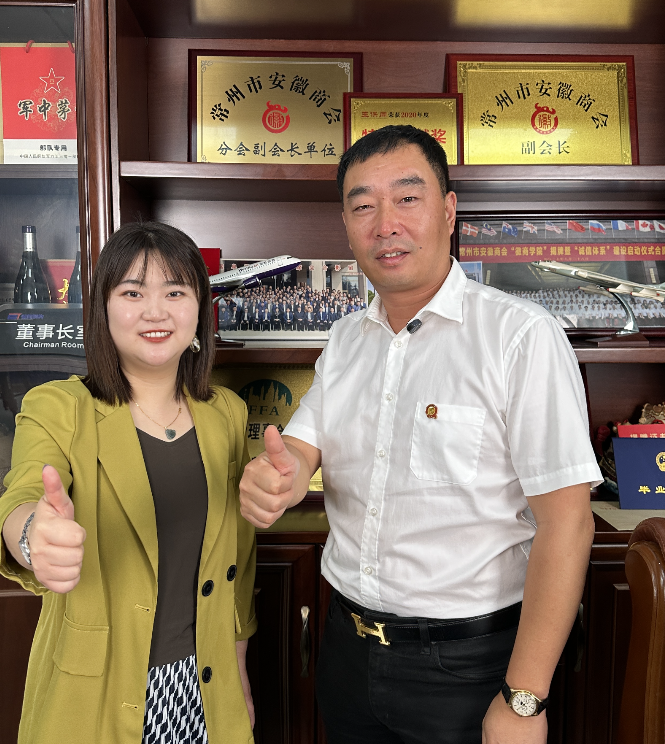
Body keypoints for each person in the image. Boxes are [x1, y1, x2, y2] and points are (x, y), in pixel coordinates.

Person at [239, 125, 601, 744]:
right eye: (363, 206)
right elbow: (301, 448)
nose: (386, 224)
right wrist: (277, 477)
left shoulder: (519, 337)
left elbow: (568, 524)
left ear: (449, 210)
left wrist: (523, 699)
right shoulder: (346, 339)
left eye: (407, 198)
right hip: (347, 650)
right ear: (346, 224)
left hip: (467, 665)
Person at [0, 221, 257, 744]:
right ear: (103, 310)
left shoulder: (226, 413)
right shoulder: (58, 407)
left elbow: (239, 559)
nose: (156, 312)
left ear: (199, 310)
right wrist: (33, 536)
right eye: (133, 293)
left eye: (175, 292)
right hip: (97, 689)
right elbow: (21, 496)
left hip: (206, 685)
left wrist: (239, 665)